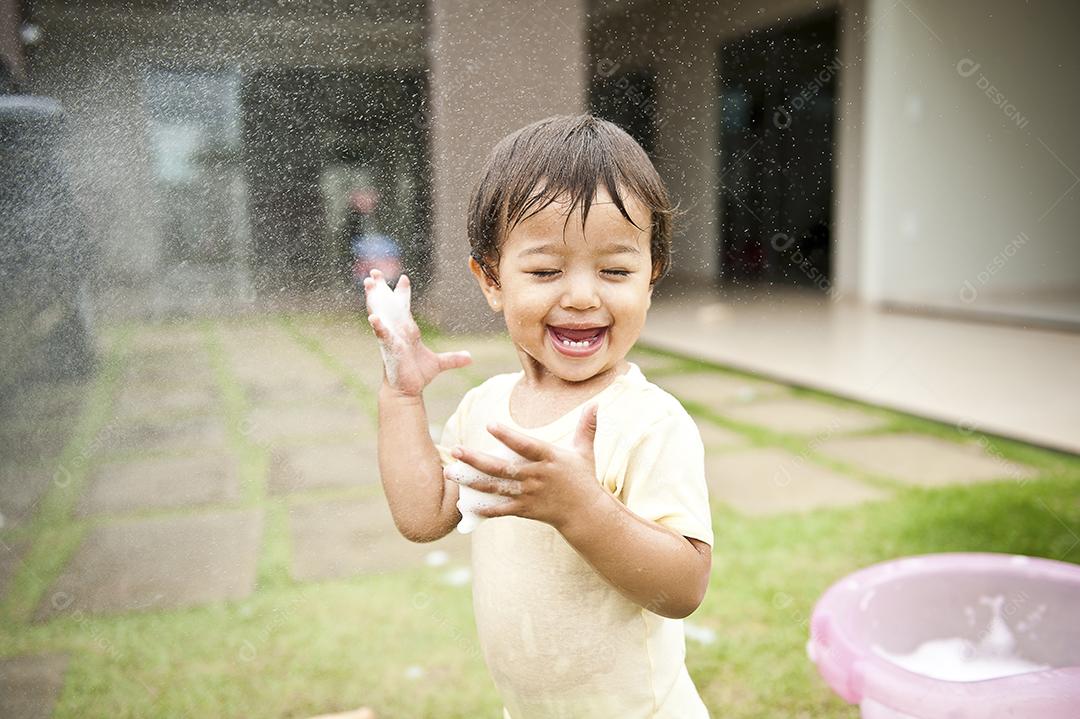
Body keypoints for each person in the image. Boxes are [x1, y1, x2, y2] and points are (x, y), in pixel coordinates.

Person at [364, 114, 714, 718]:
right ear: (492, 280)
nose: (581, 296)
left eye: (615, 270)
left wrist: (581, 508)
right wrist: (401, 398)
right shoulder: (485, 410)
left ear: (650, 278)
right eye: (546, 271)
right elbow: (423, 517)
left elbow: (683, 588)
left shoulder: (648, 421)